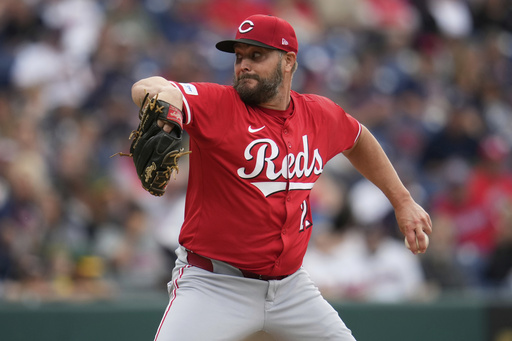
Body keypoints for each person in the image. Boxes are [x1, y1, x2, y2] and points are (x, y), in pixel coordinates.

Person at [130, 14, 432, 341]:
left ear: (288, 61)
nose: (243, 65)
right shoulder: (217, 104)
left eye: (256, 56)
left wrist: (402, 200)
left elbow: (358, 140)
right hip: (214, 284)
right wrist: (169, 108)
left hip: (291, 288)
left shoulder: (319, 114)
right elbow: (147, 88)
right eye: (239, 56)